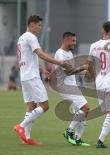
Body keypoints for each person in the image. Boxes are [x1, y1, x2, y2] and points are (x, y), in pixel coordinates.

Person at [14, 15, 72, 145]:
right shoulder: (31, 37)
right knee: (45, 106)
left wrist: (41, 68)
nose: (40, 28)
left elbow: (27, 57)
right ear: (32, 24)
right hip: (32, 77)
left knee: (31, 106)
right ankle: (21, 126)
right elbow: (39, 53)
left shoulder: (21, 38)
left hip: (25, 76)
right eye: (39, 25)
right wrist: (59, 62)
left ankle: (26, 138)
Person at [54, 32, 90, 147]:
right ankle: (68, 132)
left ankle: (78, 139)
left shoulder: (69, 53)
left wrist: (86, 72)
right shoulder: (60, 54)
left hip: (72, 85)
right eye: (73, 41)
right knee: (85, 108)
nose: (75, 43)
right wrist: (83, 68)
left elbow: (73, 70)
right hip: (65, 86)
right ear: (66, 40)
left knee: (82, 114)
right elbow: (68, 72)